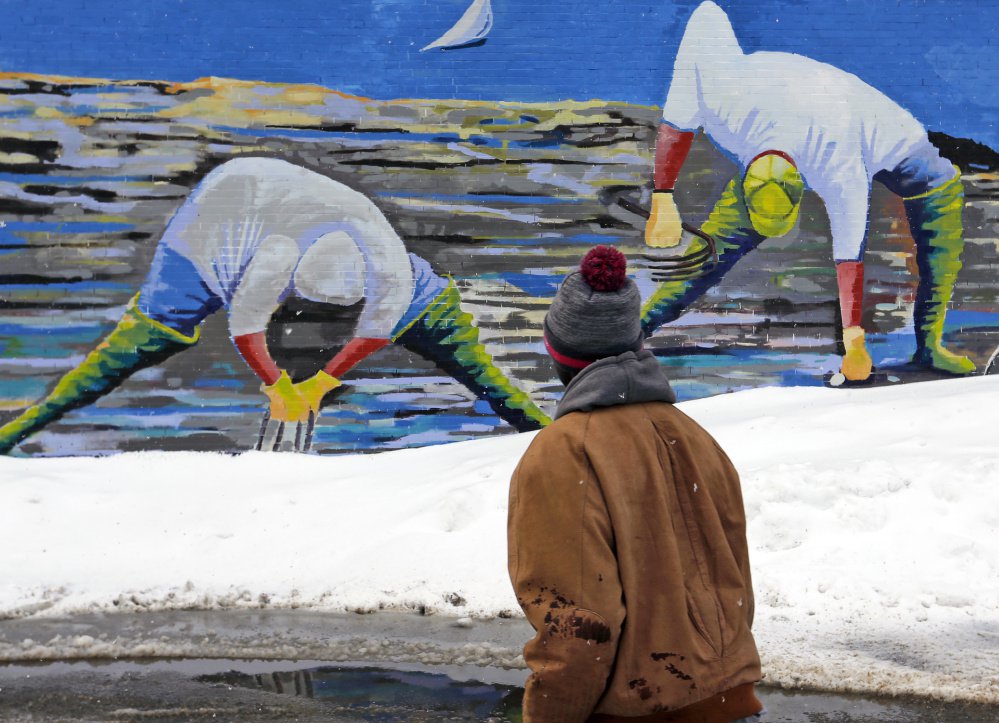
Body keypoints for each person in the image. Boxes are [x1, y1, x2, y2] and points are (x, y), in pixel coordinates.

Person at [0, 157, 550, 454]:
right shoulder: (273, 254)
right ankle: (18, 431)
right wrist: (275, 384)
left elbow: (381, 324)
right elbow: (246, 326)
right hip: (216, 224)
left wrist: (320, 383)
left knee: (464, 356)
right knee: (125, 354)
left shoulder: (386, 255)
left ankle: (545, 435)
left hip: (297, 220)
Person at [643, 1, 974, 382]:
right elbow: (706, 15)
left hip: (887, 136)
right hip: (793, 114)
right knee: (713, 247)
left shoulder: (836, 167)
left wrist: (854, 342)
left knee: (941, 194)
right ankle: (632, 332)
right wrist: (662, 196)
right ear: (744, 179)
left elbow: (850, 254)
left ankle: (930, 346)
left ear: (801, 187)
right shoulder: (722, 102)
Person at [508, 245, 764, 722]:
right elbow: (735, 591)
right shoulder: (695, 437)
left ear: (557, 353)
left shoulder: (563, 453)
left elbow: (579, 629)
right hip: (732, 703)